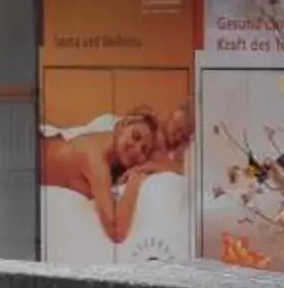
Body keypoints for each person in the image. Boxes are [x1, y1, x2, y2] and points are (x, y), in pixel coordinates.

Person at [39, 104, 192, 245]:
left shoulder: (116, 156)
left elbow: (180, 170)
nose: (136, 149)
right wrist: (135, 180)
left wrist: (150, 165)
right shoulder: (94, 160)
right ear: (122, 125)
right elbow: (116, 231)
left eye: (144, 149)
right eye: (135, 136)